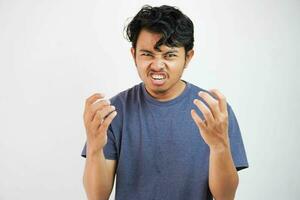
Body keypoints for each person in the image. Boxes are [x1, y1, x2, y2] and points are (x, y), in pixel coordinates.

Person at [81, 5, 248, 200]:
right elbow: (96, 196)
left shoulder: (214, 113)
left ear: (188, 57)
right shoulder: (114, 112)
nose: (157, 65)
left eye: (169, 55)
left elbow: (225, 196)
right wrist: (94, 146)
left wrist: (220, 146)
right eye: (147, 54)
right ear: (134, 55)